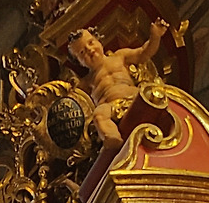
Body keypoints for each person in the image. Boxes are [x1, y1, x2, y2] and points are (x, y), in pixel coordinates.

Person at [67, 18, 167, 147]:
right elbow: (74, 102)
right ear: (79, 62)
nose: (89, 49)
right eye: (82, 52)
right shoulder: (86, 82)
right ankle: (113, 138)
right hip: (110, 108)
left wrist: (155, 36)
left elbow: (144, 53)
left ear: (98, 40)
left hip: (134, 97)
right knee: (98, 115)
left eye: (91, 42)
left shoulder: (119, 56)